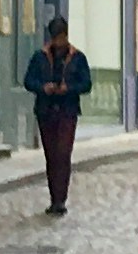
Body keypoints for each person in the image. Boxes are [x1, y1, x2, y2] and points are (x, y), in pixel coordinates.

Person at [24, 14, 90, 216]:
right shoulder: (39, 57)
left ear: (66, 36)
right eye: (55, 37)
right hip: (45, 111)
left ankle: (61, 199)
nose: (59, 42)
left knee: (63, 154)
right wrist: (44, 87)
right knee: (51, 155)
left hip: (68, 111)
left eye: (61, 37)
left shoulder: (78, 58)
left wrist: (68, 88)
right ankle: (54, 199)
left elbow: (86, 84)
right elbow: (28, 81)